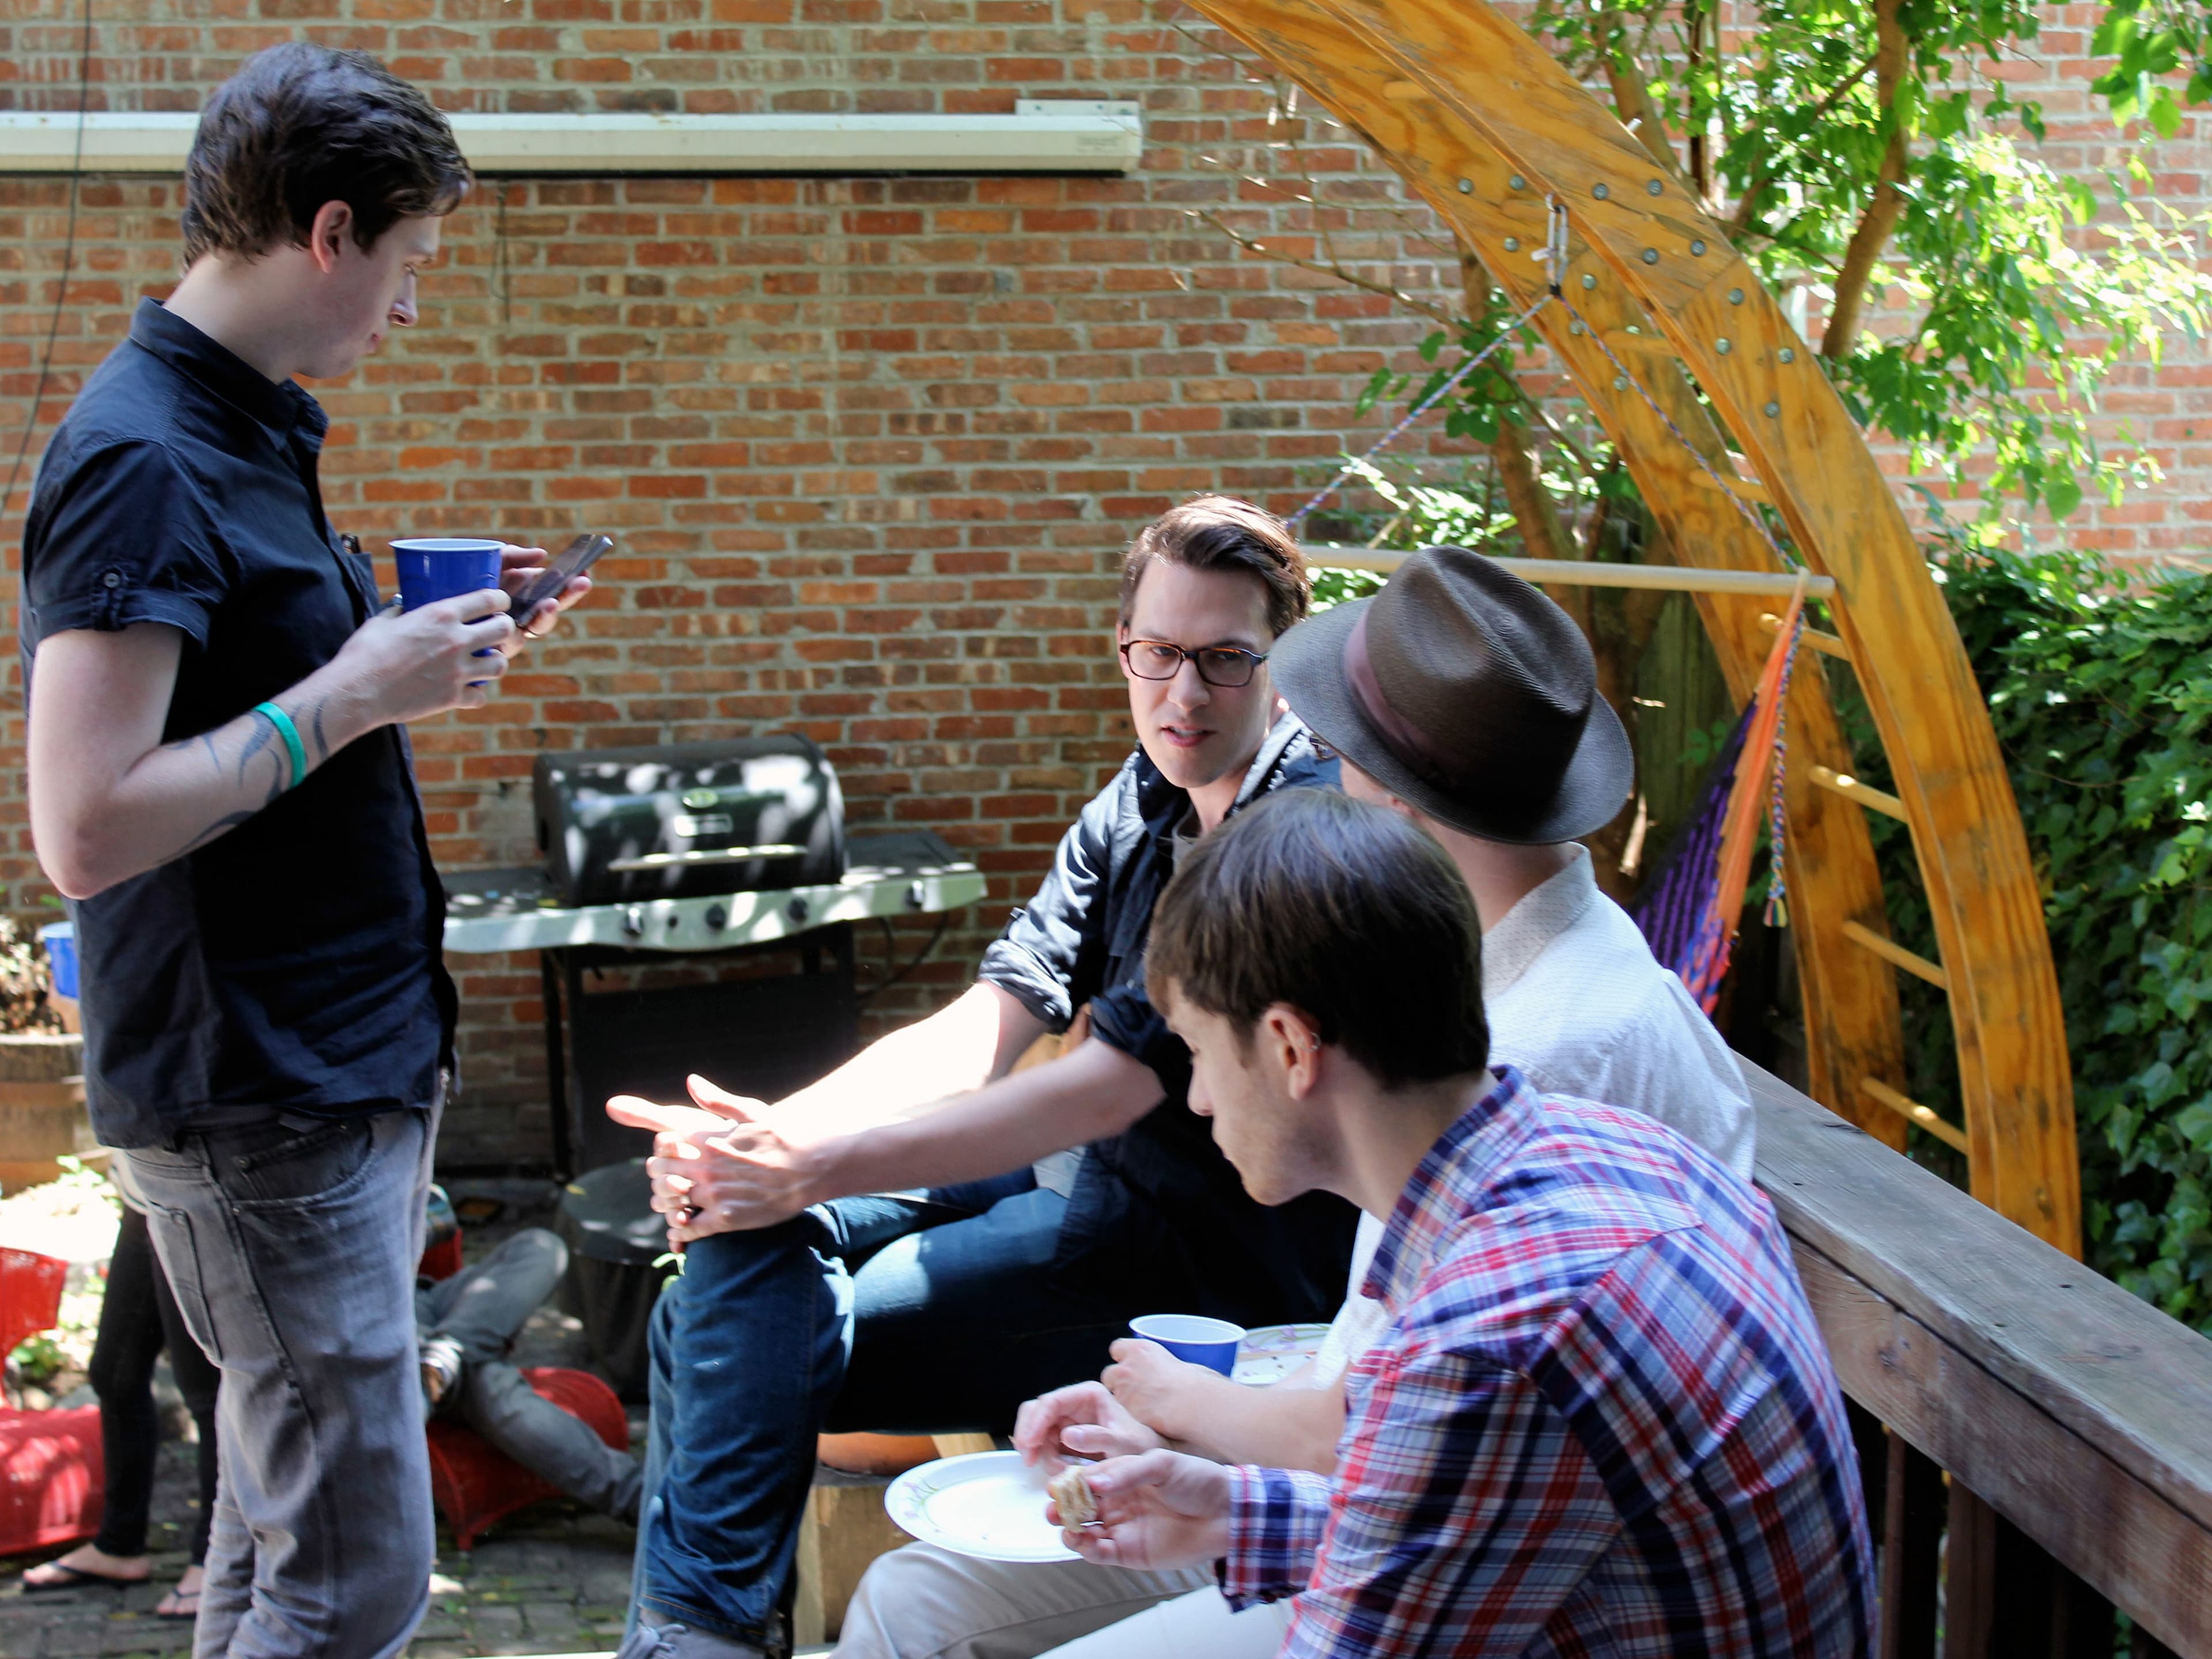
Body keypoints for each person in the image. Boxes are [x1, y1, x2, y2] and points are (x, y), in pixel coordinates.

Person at [832, 544, 1758, 1659]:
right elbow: (1414, 1442)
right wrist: (1208, 1483)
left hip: (1539, 1588)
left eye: (1341, 747)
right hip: (1446, 1507)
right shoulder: (1514, 998)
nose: (1322, 764)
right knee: (916, 1599)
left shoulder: (1547, 1060)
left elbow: (1439, 1494)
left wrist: (1193, 1417)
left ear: (1393, 800)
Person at [20, 43, 588, 1658]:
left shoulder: (244, 425)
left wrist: (418, 648)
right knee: (358, 1580)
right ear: (331, 233)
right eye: (407, 265)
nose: (410, 306)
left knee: (287, 1563)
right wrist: (351, 693)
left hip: (324, 1068)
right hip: (260, 1087)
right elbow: (86, 822)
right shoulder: (143, 456)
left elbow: (261, 695)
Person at [604, 497, 1357, 1659]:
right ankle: (702, 1630)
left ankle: (692, 1628)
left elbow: (1111, 1087)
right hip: (1081, 1191)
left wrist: (804, 1167)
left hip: (1194, 1289)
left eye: (1223, 660)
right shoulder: (1143, 795)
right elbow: (989, 1025)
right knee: (736, 1243)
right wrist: (759, 1146)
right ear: (1124, 647)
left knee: (709, 1312)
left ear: (1282, 667)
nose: (1184, 694)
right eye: (1157, 656)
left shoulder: (1292, 835)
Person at [1025, 789, 1875, 1657]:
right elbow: (1470, 1510)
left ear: (1290, 1047)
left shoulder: (1489, 1337)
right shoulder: (1627, 1152)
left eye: (1200, 1053)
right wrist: (1235, 1511)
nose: (1199, 1098)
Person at [19, 1170, 218, 1623]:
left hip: (188, 1194)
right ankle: (119, 1544)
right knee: (114, 1374)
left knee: (207, 1393)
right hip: (142, 1196)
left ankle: (216, 1563)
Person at [416, 1226, 643, 1524]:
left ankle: (450, 1351)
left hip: (427, 1295)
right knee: (491, 1387)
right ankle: (649, 1503)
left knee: (542, 1246)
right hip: (382, 1324)